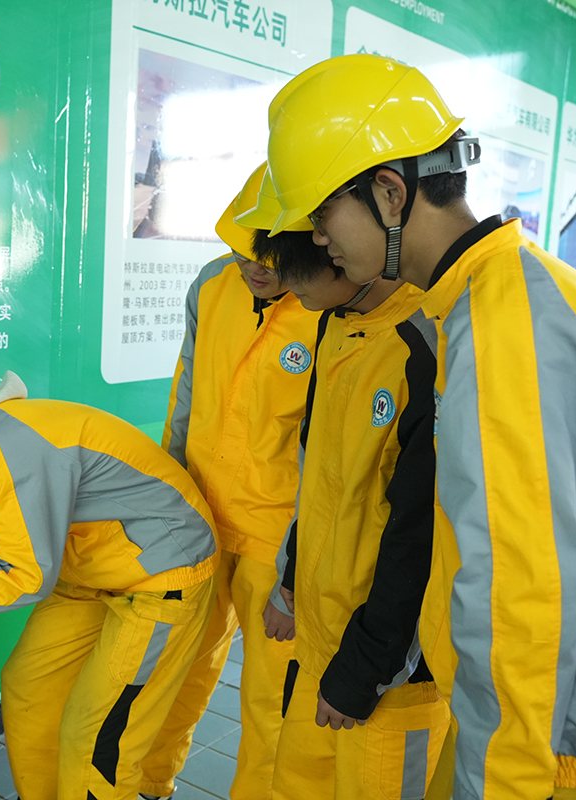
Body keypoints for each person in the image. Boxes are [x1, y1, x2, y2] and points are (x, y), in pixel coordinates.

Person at [250, 52, 576, 799]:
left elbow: (521, 601)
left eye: (322, 216)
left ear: (390, 193)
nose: (318, 241)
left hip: (565, 753)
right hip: (534, 729)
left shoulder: (509, 324)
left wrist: (499, 785)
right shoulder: (485, 302)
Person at [0, 374, 220, 800]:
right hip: (90, 571)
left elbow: (23, 575)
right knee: (29, 691)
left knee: (96, 737)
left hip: (161, 571)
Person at [246, 212, 450, 799]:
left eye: (296, 274)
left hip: (390, 673)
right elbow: (316, 470)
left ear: (342, 255)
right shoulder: (334, 320)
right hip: (322, 640)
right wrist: (291, 581)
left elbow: (421, 536)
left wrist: (364, 671)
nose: (289, 288)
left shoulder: (425, 348)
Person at [138, 162, 320, 800]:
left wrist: (298, 568)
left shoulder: (326, 306)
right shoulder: (212, 284)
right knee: (177, 669)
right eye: (243, 250)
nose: (252, 267)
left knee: (271, 702)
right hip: (201, 519)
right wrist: (168, 500)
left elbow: (328, 450)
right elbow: (184, 398)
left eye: (268, 256)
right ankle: (148, 785)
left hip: (277, 534)